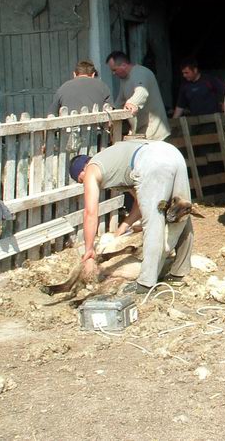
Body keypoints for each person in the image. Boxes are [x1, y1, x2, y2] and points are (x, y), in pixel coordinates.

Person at [69, 140, 193, 294]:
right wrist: (124, 226)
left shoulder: (91, 170)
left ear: (82, 170)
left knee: (154, 222)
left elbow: (90, 213)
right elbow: (140, 203)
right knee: (181, 211)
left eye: (81, 181)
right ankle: (178, 273)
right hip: (171, 152)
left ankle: (146, 283)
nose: (83, 183)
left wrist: (88, 250)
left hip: (151, 161)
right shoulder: (112, 161)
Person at [106, 51, 171, 141]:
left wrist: (132, 102)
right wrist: (111, 115)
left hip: (155, 133)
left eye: (114, 70)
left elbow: (142, 91)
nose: (113, 73)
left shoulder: (140, 73)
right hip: (142, 132)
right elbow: (120, 101)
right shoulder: (124, 79)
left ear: (124, 65)